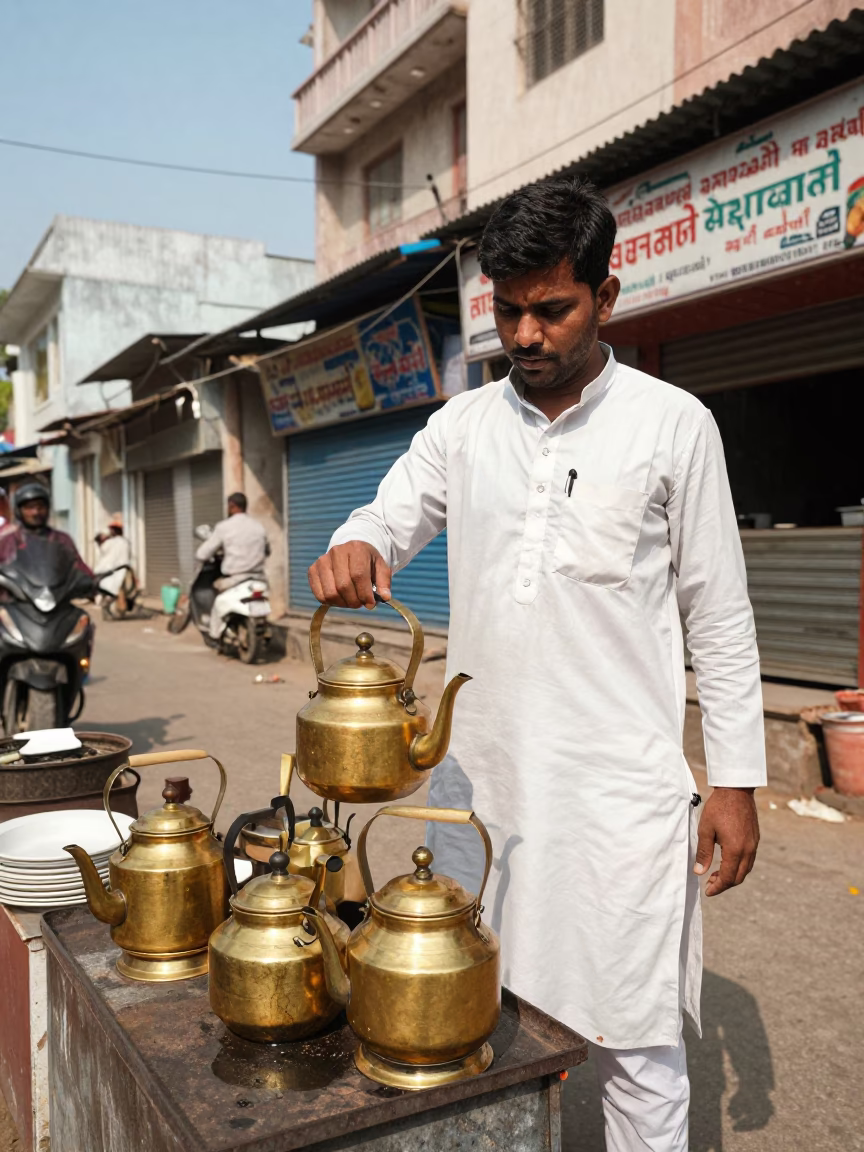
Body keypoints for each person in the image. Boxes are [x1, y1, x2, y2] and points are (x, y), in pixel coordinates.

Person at [308, 177, 765, 1152]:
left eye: (550, 309)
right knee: (481, 1013)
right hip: (487, 786)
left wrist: (736, 781)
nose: (524, 333)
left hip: (620, 797)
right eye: (507, 309)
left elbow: (718, 615)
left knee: (636, 1039)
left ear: (606, 296)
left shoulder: (674, 424)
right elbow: (388, 519)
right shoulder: (461, 429)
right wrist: (356, 545)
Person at [195, 492, 268, 642]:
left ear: (232, 506)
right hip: (259, 577)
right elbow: (267, 550)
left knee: (215, 595)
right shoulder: (259, 527)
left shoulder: (224, 527)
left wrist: (202, 554)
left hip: (235, 578)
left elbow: (203, 553)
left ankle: (214, 634)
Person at [0, 481, 93, 578]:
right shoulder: (8, 540)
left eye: (40, 507)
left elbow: (78, 566)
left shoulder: (62, 539)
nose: (36, 512)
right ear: (19, 511)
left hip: (56, 591)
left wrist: (89, 579)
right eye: (30, 507)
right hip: (17, 591)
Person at [94, 514, 135, 615]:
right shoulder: (126, 542)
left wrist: (101, 541)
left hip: (111, 572)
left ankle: (114, 604)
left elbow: (103, 552)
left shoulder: (108, 543)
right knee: (125, 590)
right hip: (124, 571)